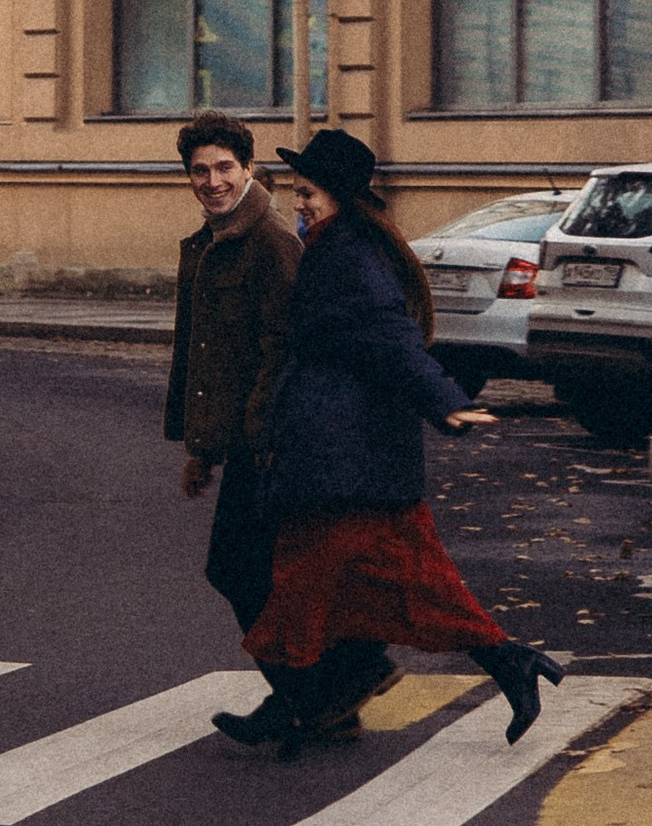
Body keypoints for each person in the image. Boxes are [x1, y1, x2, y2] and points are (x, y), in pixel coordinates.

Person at [218, 125, 562, 763]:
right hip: (349, 454)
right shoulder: (340, 244)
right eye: (299, 192)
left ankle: (301, 704)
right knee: (406, 585)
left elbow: (392, 339)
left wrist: (447, 403)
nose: (301, 202)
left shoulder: (347, 255)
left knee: (303, 585)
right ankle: (505, 664)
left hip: (343, 458)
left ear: (341, 196)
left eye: (309, 193)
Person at [163, 110, 302, 641]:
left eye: (225, 168)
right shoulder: (213, 240)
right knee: (252, 572)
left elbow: (285, 349)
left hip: (268, 441)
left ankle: (323, 689)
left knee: (238, 570)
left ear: (248, 168)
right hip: (246, 440)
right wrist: (201, 448)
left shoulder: (269, 240)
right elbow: (206, 357)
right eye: (201, 171)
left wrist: (264, 439)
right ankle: (320, 692)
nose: (213, 182)